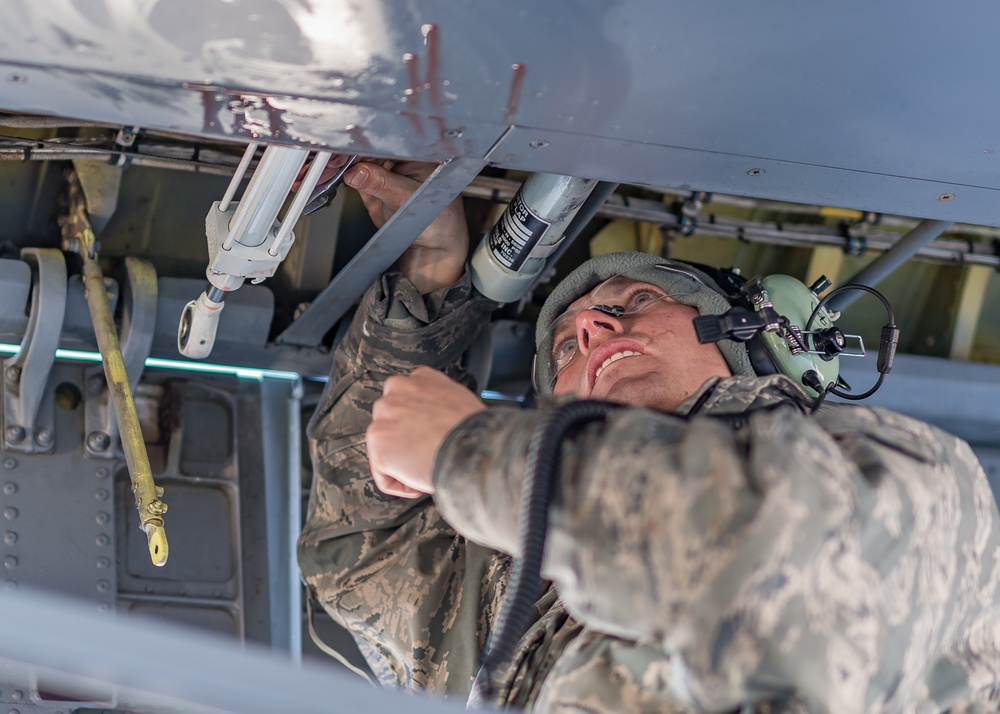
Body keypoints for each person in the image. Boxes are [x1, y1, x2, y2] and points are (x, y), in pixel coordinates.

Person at [297, 159, 1000, 713]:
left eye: (638, 302)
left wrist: (475, 455)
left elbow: (774, 551)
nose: (593, 329)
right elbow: (358, 551)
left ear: (745, 340)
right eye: (567, 351)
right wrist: (430, 275)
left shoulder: (907, 477)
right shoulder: (515, 581)